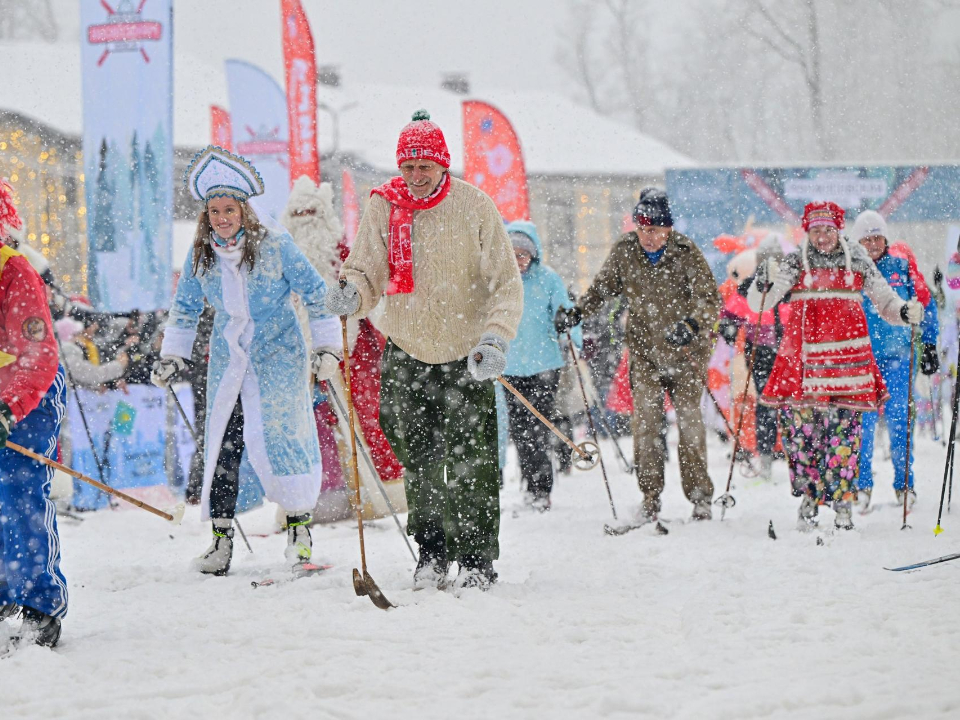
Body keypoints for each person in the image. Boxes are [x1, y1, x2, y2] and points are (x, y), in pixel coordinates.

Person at [326, 110, 523, 591]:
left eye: (425, 167)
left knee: (472, 460)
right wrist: (352, 291)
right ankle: (432, 553)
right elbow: (365, 269)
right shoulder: (384, 206)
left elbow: (505, 283)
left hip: (465, 354)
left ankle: (477, 558)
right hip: (408, 349)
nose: (415, 177)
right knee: (421, 456)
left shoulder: (474, 206)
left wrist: (495, 337)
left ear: (443, 165)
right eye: (408, 167)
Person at [151, 146, 342, 575]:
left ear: (244, 209)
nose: (222, 218)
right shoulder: (201, 253)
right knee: (222, 445)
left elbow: (316, 295)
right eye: (214, 210)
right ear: (206, 215)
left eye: (229, 208)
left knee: (283, 434)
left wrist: (328, 347)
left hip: (279, 353)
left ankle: (299, 532)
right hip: (228, 359)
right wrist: (172, 356)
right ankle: (221, 541)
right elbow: (184, 308)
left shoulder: (276, 245)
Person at [748, 202, 923, 530]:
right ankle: (810, 499)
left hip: (848, 367)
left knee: (845, 436)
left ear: (838, 229)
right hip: (804, 366)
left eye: (828, 229)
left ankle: (843, 502)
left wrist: (903, 312)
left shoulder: (857, 258)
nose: (823, 237)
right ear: (807, 231)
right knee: (803, 436)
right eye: (816, 230)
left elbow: (884, 300)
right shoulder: (794, 262)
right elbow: (762, 302)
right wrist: (763, 280)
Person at [554, 188, 721, 523]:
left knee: (689, 424)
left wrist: (690, 324)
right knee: (645, 424)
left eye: (655, 230)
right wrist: (576, 313)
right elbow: (602, 289)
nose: (649, 237)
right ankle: (650, 496)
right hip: (645, 352)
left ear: (668, 229)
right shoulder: (625, 251)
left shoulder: (687, 251)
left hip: (686, 353)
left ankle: (701, 498)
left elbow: (710, 299)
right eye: (643, 229)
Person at [0, 178, 67, 647]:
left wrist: (9, 407)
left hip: (31, 398)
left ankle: (40, 601)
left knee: (22, 493)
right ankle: (5, 591)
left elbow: (37, 357)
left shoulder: (16, 273)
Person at [850, 210, 939, 510]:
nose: (873, 243)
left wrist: (929, 345)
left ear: (885, 238)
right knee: (864, 423)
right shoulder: (852, 270)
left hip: (899, 357)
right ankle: (861, 486)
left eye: (878, 237)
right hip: (862, 361)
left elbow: (925, 303)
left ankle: (904, 485)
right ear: (858, 241)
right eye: (867, 238)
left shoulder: (901, 265)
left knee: (901, 420)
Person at [502, 220, 581, 511]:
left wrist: (568, 330)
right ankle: (529, 484)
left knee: (538, 427)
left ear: (533, 254)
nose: (518, 260)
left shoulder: (548, 279)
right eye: (513, 253)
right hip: (510, 367)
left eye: (523, 254)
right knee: (520, 430)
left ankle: (541, 486)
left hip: (544, 364)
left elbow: (567, 313)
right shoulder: (500, 279)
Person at [718, 237, 790, 481]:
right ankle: (767, 457)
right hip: (760, 353)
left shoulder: (790, 286)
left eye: (776, 259)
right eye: (766, 259)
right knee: (767, 404)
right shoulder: (750, 286)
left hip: (789, 354)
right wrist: (728, 328)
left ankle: (794, 456)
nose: (771, 264)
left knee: (790, 406)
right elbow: (730, 314)